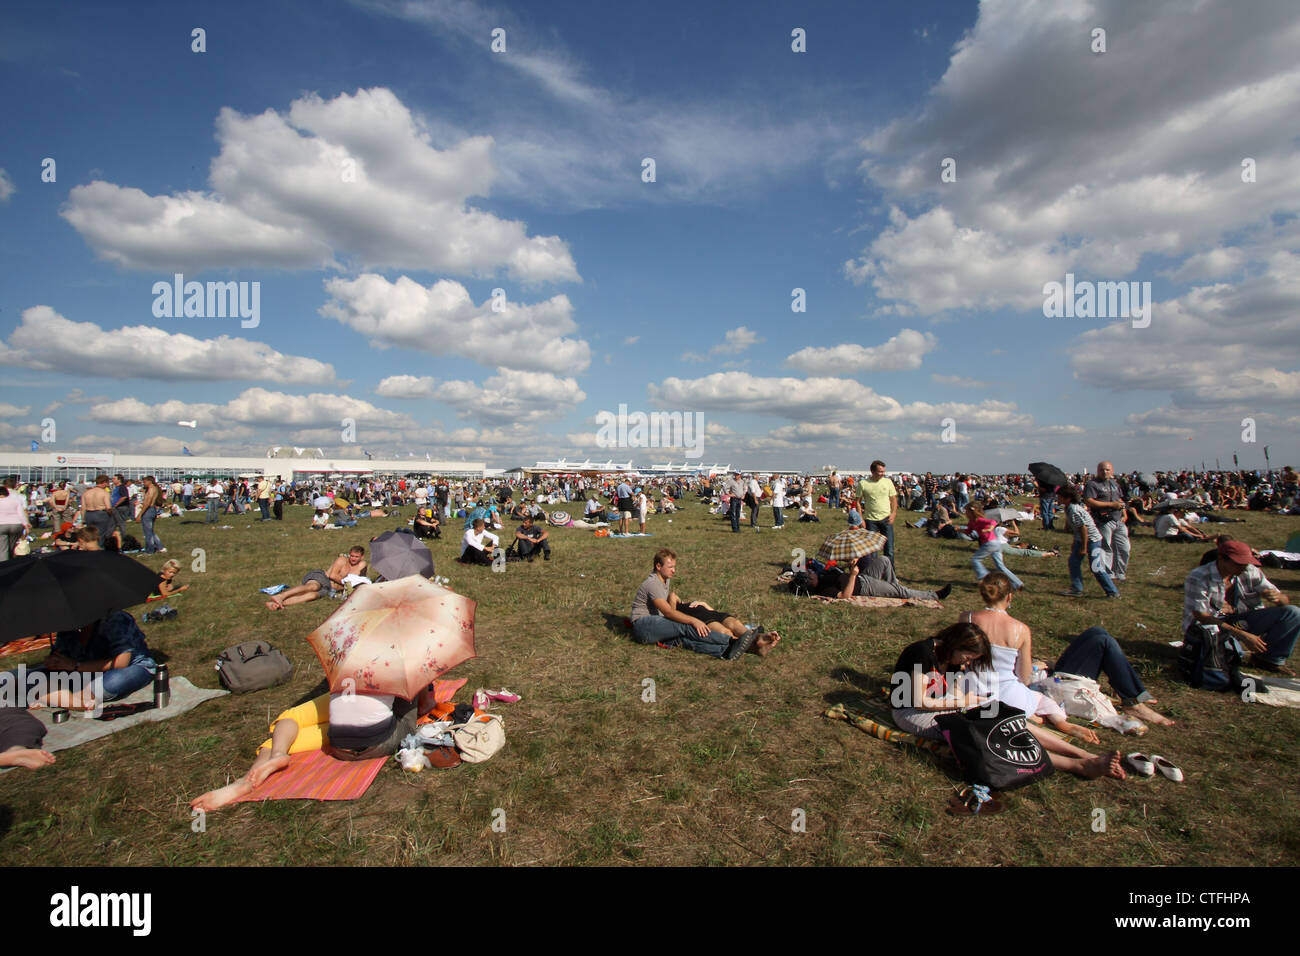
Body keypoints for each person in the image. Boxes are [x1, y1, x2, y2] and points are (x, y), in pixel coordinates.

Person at [890, 622, 1126, 780]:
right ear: (955, 645)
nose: (966, 663)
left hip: (945, 704)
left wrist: (970, 703)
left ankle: (1084, 755)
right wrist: (964, 704)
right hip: (910, 710)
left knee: (1006, 718)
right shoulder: (921, 653)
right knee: (991, 734)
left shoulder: (951, 659)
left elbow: (951, 694)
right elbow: (920, 701)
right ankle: (1077, 766)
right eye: (968, 656)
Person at [967, 572, 1172, 733]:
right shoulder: (1020, 629)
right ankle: (1133, 700)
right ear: (1009, 596)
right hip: (1041, 685)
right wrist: (1038, 666)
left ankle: (1134, 695)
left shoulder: (967, 618)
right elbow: (1025, 678)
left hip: (992, 683)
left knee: (1097, 633)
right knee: (1102, 641)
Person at [190, 687, 422, 811]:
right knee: (399, 708)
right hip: (373, 742)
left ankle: (256, 772)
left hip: (339, 737)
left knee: (291, 719)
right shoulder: (412, 655)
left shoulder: (346, 643)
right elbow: (428, 705)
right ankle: (261, 769)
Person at [629, 549, 779, 660]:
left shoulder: (664, 579)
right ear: (658, 566)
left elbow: (669, 606)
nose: (674, 571)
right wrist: (694, 620)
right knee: (687, 626)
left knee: (685, 641)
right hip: (644, 625)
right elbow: (668, 613)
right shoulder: (653, 583)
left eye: (675, 566)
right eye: (670, 567)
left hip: (654, 627)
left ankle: (731, 651)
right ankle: (734, 641)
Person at [1184, 538, 1299, 677]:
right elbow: (1201, 616)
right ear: (1221, 558)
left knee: (1293, 613)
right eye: (1238, 563)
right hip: (1210, 627)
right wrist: (1243, 635)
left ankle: (1270, 660)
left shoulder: (1249, 570)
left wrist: (1279, 599)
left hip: (1238, 621)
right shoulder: (1199, 577)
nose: (1243, 567)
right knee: (1229, 657)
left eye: (1246, 563)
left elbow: (1284, 601)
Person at [26, 611, 158, 708]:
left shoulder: (115, 619)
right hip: (85, 673)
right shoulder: (68, 627)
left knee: (113, 681)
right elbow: (64, 658)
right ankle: (68, 699)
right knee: (29, 677)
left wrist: (75, 666)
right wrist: (55, 661)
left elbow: (121, 662)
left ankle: (64, 699)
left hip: (126, 668)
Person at [800, 556, 951, 602]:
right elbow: (845, 595)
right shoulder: (824, 589)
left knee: (884, 560)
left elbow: (840, 575)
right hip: (865, 587)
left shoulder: (823, 577)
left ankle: (895, 589)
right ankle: (935, 595)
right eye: (809, 574)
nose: (812, 572)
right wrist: (852, 575)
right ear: (810, 582)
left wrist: (850, 567)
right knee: (900, 590)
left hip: (863, 577)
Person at [1059, 485, 1119, 598]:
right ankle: (1077, 588)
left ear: (1067, 498)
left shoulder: (1074, 510)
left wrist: (1083, 547)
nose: (1058, 499)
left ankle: (1112, 591)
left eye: (1060, 497)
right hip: (1080, 539)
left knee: (1096, 567)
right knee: (1073, 562)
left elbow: (1083, 529)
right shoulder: (1069, 508)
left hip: (1092, 540)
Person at [265, 547, 368, 609]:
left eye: (356, 557)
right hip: (322, 577)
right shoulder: (342, 560)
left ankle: (277, 604)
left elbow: (358, 582)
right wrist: (346, 583)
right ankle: (281, 596)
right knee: (313, 587)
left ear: (362, 557)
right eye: (352, 556)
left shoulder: (362, 565)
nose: (353, 558)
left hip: (328, 589)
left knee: (312, 596)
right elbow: (332, 576)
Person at [1085, 460, 1130, 582]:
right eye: (1102, 470)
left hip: (1118, 519)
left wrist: (1124, 512)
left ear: (1112, 471)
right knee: (1106, 547)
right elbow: (1089, 501)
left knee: (1124, 547)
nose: (1105, 472)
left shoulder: (1115, 484)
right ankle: (1108, 574)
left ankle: (1120, 572)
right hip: (1103, 520)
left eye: (1107, 470)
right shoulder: (1092, 484)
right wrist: (1111, 505)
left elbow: (1119, 499)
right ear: (1097, 470)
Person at [965, 503, 1024, 590]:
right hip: (996, 544)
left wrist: (990, 528)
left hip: (991, 543)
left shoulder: (980, 520)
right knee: (1000, 566)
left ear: (972, 512)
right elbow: (968, 531)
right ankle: (1018, 584)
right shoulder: (972, 522)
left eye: (966, 511)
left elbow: (993, 522)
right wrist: (959, 529)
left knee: (975, 559)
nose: (965, 513)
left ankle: (985, 580)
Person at [857, 461, 898, 563]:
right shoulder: (863, 484)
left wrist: (893, 514)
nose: (882, 473)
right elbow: (857, 502)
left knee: (889, 550)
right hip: (870, 520)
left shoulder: (888, 482)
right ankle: (874, 576)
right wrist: (861, 519)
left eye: (883, 471)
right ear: (872, 471)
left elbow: (893, 500)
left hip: (886, 519)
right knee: (872, 551)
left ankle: (890, 576)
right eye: (880, 471)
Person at [79, 474, 119, 549]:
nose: (108, 485)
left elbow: (83, 508)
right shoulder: (104, 493)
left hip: (89, 514)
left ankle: (90, 548)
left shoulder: (86, 493)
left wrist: (83, 519)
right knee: (101, 534)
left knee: (90, 534)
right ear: (104, 482)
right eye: (107, 483)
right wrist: (111, 516)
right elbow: (108, 507)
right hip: (101, 514)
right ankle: (99, 549)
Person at [0, 481, 31, 562]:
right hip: (16, 524)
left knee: (3, 548)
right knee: (12, 546)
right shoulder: (16, 501)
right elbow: (21, 514)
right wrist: (26, 524)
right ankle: (11, 561)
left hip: (1, 525)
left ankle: (4, 566)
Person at [138, 475, 166, 555]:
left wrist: (140, 514)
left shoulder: (151, 489)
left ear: (149, 481)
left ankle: (150, 550)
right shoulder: (155, 488)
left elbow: (147, 503)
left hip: (148, 510)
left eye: (144, 482)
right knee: (150, 531)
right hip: (152, 510)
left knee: (147, 533)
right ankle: (160, 547)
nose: (143, 483)